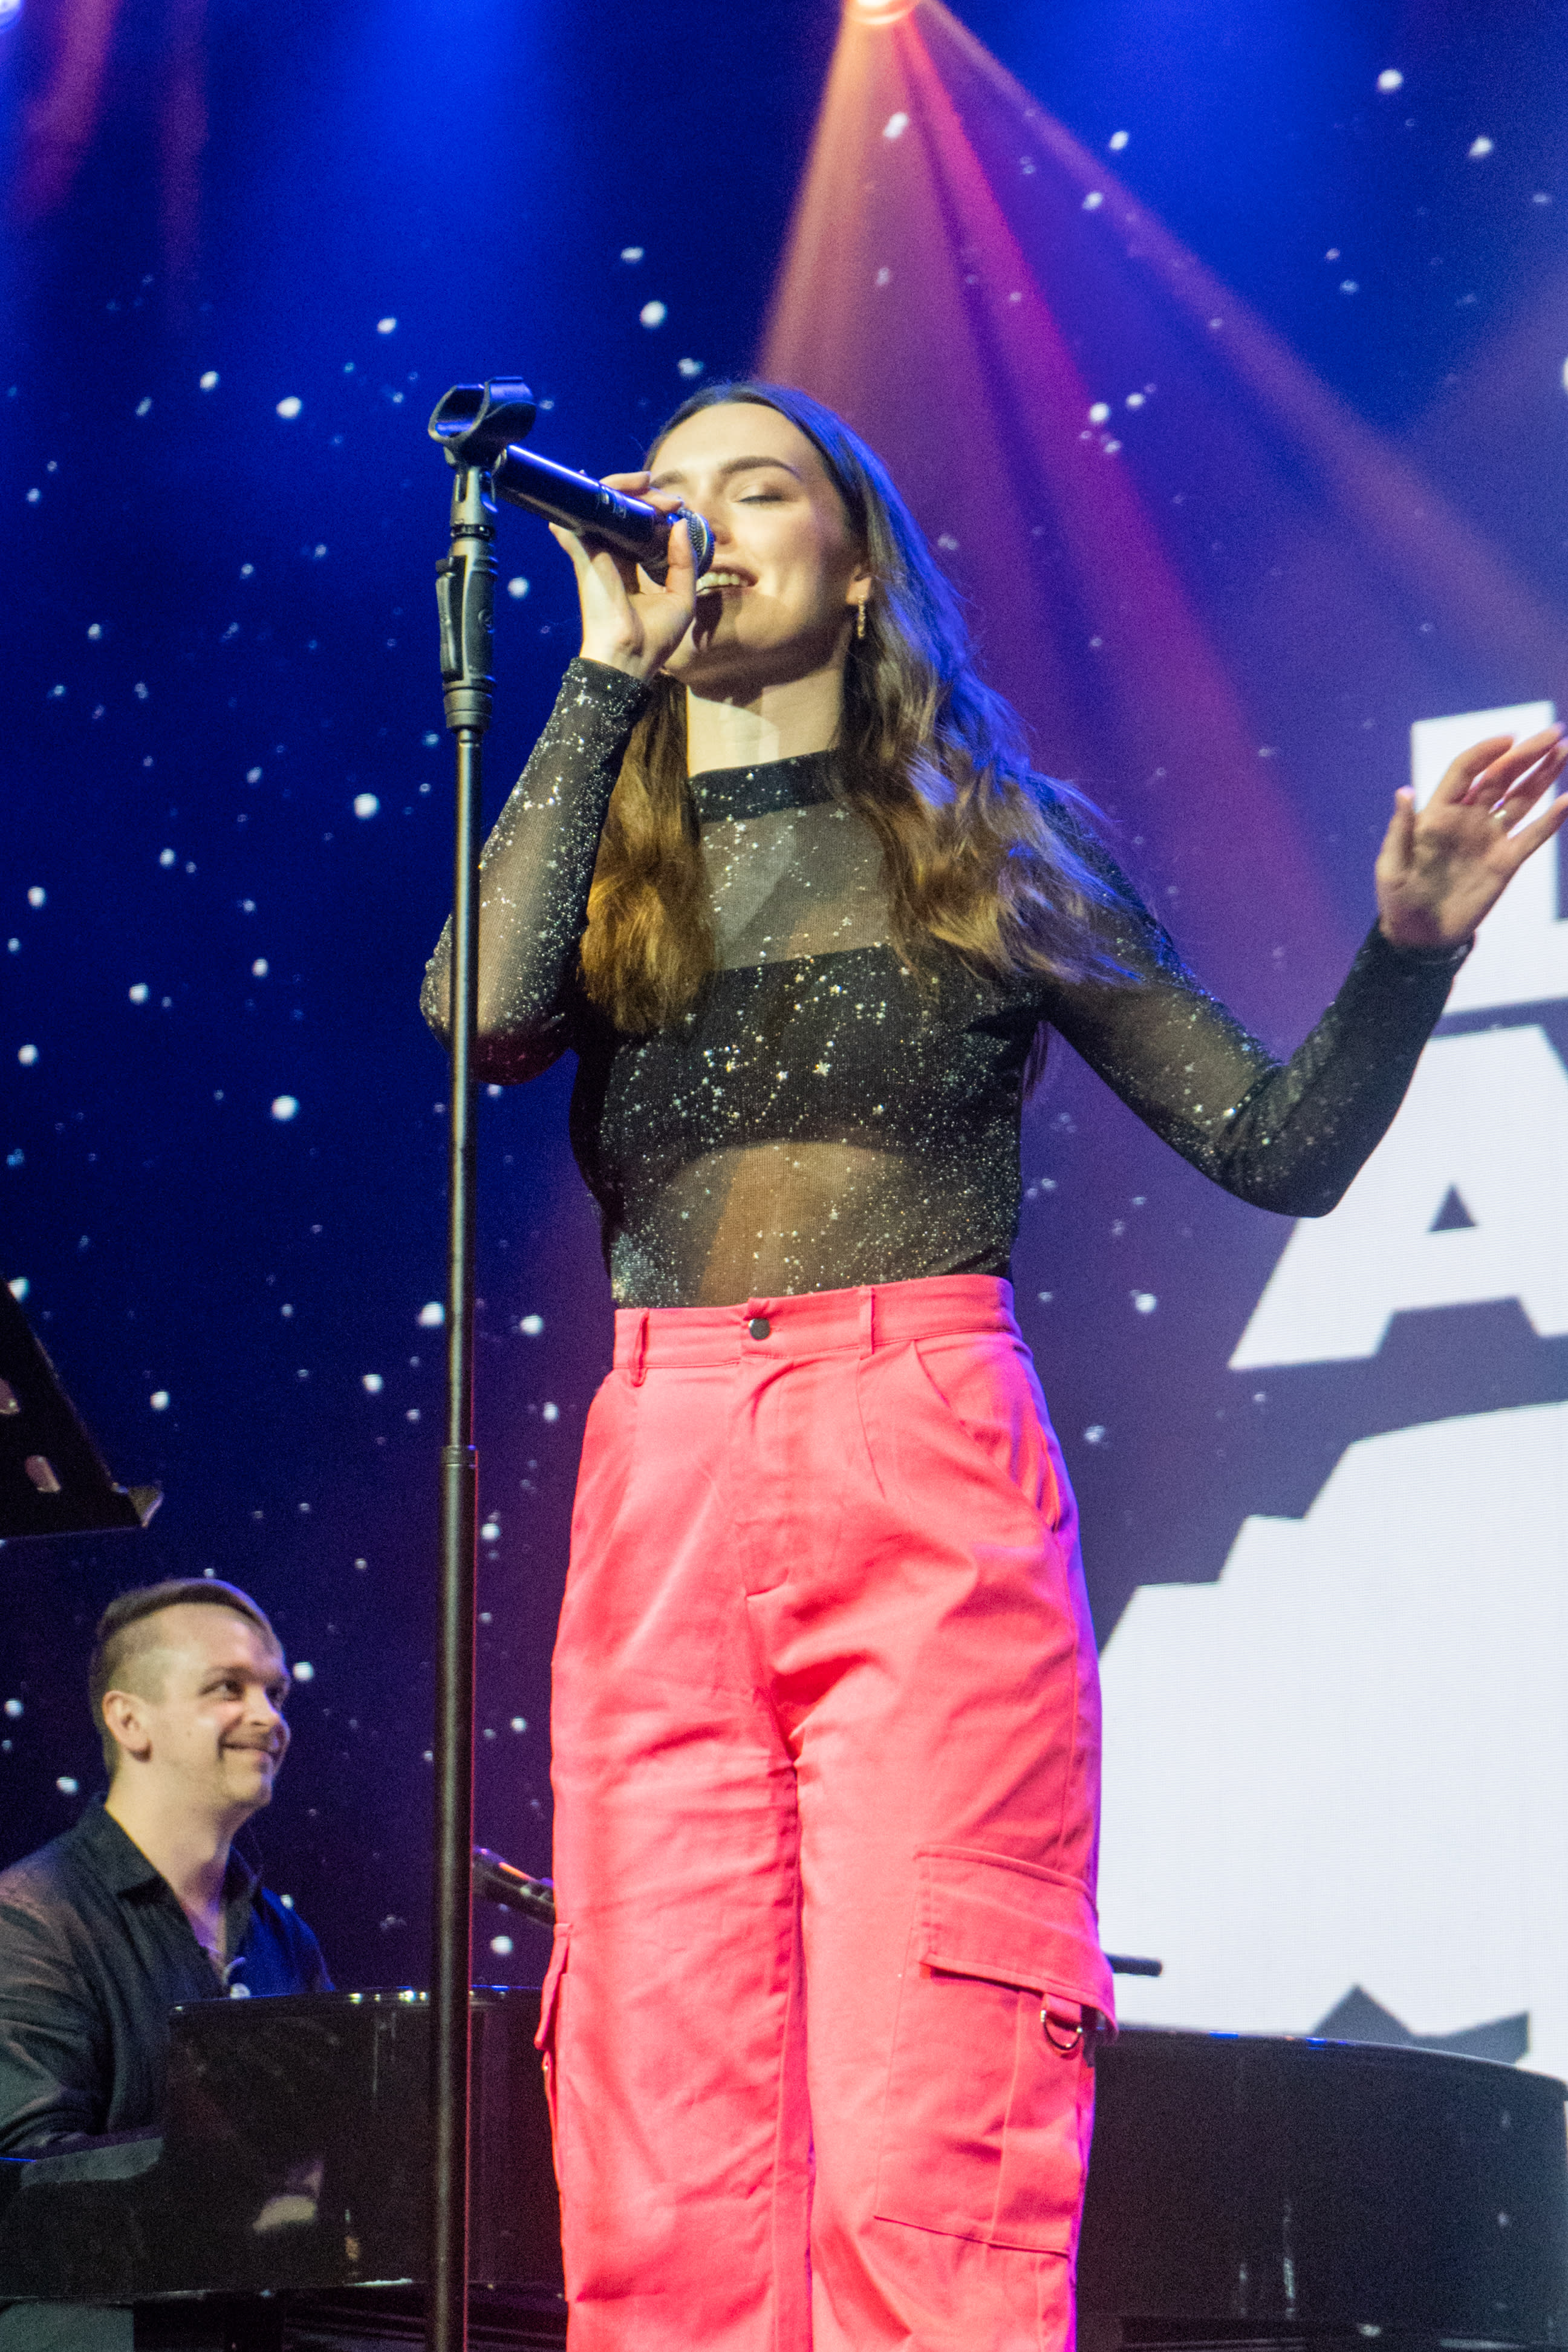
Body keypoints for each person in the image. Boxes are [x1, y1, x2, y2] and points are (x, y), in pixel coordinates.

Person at [422, 381, 1567, 2352]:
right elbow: (481, 1014)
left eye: (756, 489)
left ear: (860, 564)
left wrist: (1405, 953)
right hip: (663, 1467)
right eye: (668, 495)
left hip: (915, 1448)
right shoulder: (612, 847)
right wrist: (603, 674)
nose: (701, 522)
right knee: (654, 2103)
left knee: (929, 2098)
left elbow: (1275, 1145)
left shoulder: (988, 844)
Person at [0, 1577, 330, 2157]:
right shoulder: (28, 1919)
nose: (269, 1717)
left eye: (276, 1693)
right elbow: (28, 2174)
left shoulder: (284, 1937)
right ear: (129, 1720)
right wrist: (222, 2155)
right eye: (228, 1687)